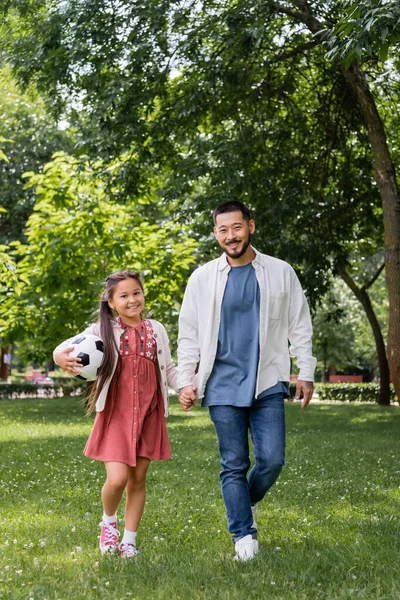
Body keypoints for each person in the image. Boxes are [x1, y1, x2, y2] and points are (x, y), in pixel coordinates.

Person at [177, 201, 316, 561]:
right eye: (223, 230)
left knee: (272, 459)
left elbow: (299, 324)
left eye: (236, 228)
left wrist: (306, 371)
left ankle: (245, 500)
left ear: (250, 226)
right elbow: (188, 333)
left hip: (268, 379)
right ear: (215, 234)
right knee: (233, 463)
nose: (230, 236)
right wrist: (185, 379)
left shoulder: (280, 272)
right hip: (221, 383)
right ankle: (243, 534)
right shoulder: (202, 278)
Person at [54, 270, 189, 558]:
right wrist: (59, 357)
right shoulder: (102, 331)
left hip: (148, 414)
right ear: (111, 302)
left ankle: (129, 541)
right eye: (124, 295)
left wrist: (184, 388)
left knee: (137, 480)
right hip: (117, 413)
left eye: (136, 293)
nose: (132, 300)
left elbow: (168, 370)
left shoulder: (156, 329)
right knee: (117, 479)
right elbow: (63, 349)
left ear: (143, 294)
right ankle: (108, 522)